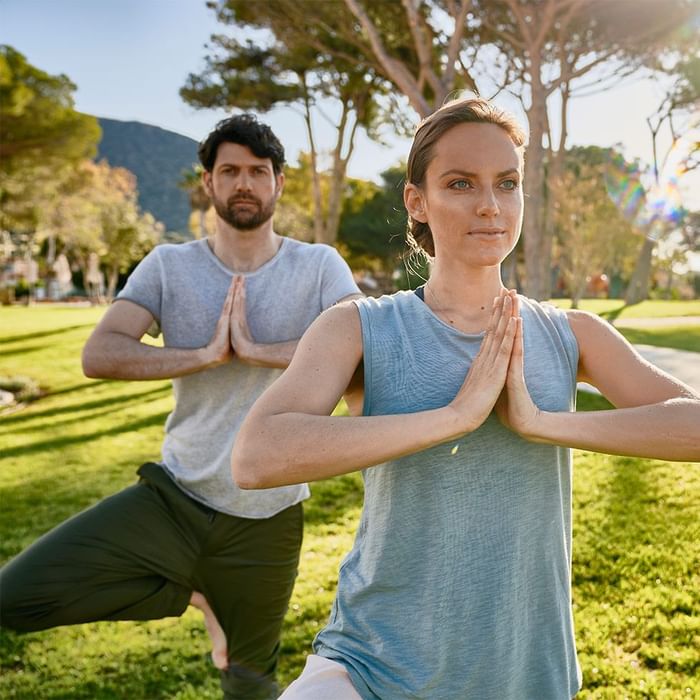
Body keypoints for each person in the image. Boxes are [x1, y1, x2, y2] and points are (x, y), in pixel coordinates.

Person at [230, 97, 700, 699]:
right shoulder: (359, 327)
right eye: (460, 183)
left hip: (523, 672)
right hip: (374, 663)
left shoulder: (572, 332)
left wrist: (545, 424)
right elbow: (256, 456)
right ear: (416, 201)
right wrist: (454, 417)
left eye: (507, 183)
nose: (489, 205)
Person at [0, 114, 361, 700]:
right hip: (174, 498)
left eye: (257, 172)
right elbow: (102, 353)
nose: (244, 183)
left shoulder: (318, 266)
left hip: (269, 515)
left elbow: (364, 352)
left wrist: (260, 352)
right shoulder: (169, 265)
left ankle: (211, 595)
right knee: (16, 596)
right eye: (230, 171)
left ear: (279, 183)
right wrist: (204, 355)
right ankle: (192, 591)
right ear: (209, 183)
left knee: (249, 684)